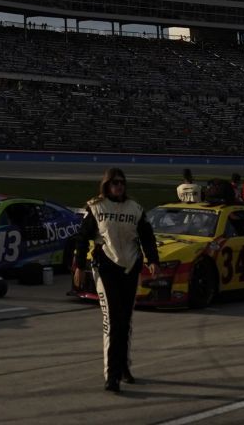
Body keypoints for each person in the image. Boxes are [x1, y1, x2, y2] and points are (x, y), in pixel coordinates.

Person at [73, 167, 160, 393]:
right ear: (107, 185)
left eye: (122, 182)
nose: (119, 186)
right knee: (112, 322)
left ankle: (123, 366)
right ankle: (112, 376)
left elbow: (147, 236)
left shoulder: (135, 209)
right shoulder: (95, 207)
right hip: (105, 268)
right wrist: (79, 266)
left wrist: (153, 259)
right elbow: (82, 238)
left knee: (125, 321)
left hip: (130, 269)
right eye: (114, 183)